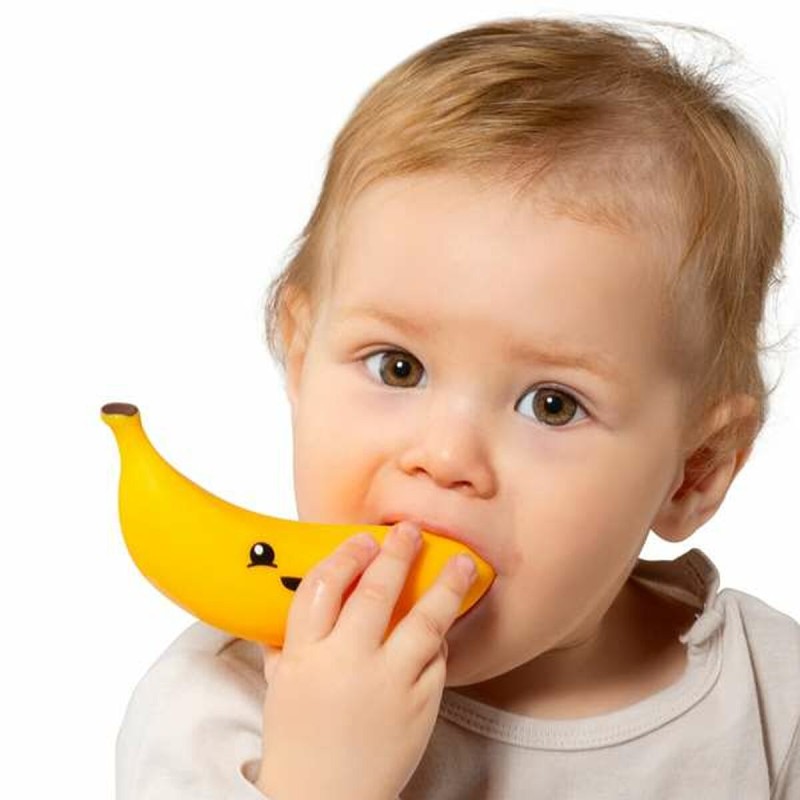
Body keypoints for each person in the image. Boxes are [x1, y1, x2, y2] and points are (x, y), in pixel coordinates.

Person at [116, 15, 800, 799]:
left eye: (552, 404)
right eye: (398, 367)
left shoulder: (770, 698)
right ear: (300, 359)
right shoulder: (218, 718)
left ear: (694, 471)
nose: (445, 458)